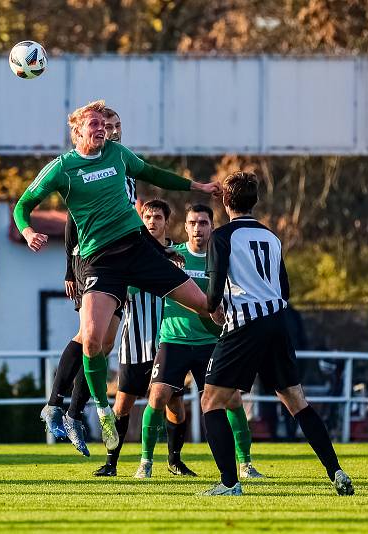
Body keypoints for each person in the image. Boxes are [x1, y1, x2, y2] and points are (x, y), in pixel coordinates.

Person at [14, 99, 219, 450]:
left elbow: (153, 173)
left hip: (138, 249)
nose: (100, 129)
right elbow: (23, 205)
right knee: (92, 340)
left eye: (102, 124)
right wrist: (28, 231)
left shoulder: (118, 153)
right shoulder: (61, 168)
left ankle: (236, 363)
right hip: (101, 262)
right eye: (93, 124)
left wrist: (196, 188)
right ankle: (100, 411)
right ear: (77, 130)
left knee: (206, 305)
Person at [200, 171, 354, 496]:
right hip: (277, 321)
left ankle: (229, 483)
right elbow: (284, 288)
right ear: (254, 201)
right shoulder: (272, 237)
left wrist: (214, 309)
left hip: (245, 322)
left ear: (226, 201)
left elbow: (214, 290)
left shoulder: (222, 236)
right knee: (296, 400)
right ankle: (335, 471)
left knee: (210, 400)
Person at [137, 204, 264, 480]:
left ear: (212, 227)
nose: (198, 228)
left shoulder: (221, 258)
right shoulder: (172, 257)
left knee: (231, 399)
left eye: (203, 223)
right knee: (157, 396)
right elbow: (140, 278)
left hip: (211, 342)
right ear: (185, 227)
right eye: (193, 223)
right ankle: (145, 463)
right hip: (174, 339)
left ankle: (246, 464)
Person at [40, 107, 132, 457]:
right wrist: (69, 267)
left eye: (116, 125)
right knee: (89, 336)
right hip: (90, 258)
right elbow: (73, 218)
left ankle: (74, 411)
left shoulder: (120, 162)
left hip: (119, 257)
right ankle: (57, 406)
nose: (112, 130)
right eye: (106, 125)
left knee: (106, 342)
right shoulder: (85, 166)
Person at [93, 198, 195, 477]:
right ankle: (111, 461)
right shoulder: (128, 255)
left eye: (157, 218)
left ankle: (174, 460)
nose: (152, 222)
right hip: (134, 343)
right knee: (122, 403)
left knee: (174, 402)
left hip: (168, 342)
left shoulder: (177, 256)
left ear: (166, 221)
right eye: (147, 217)